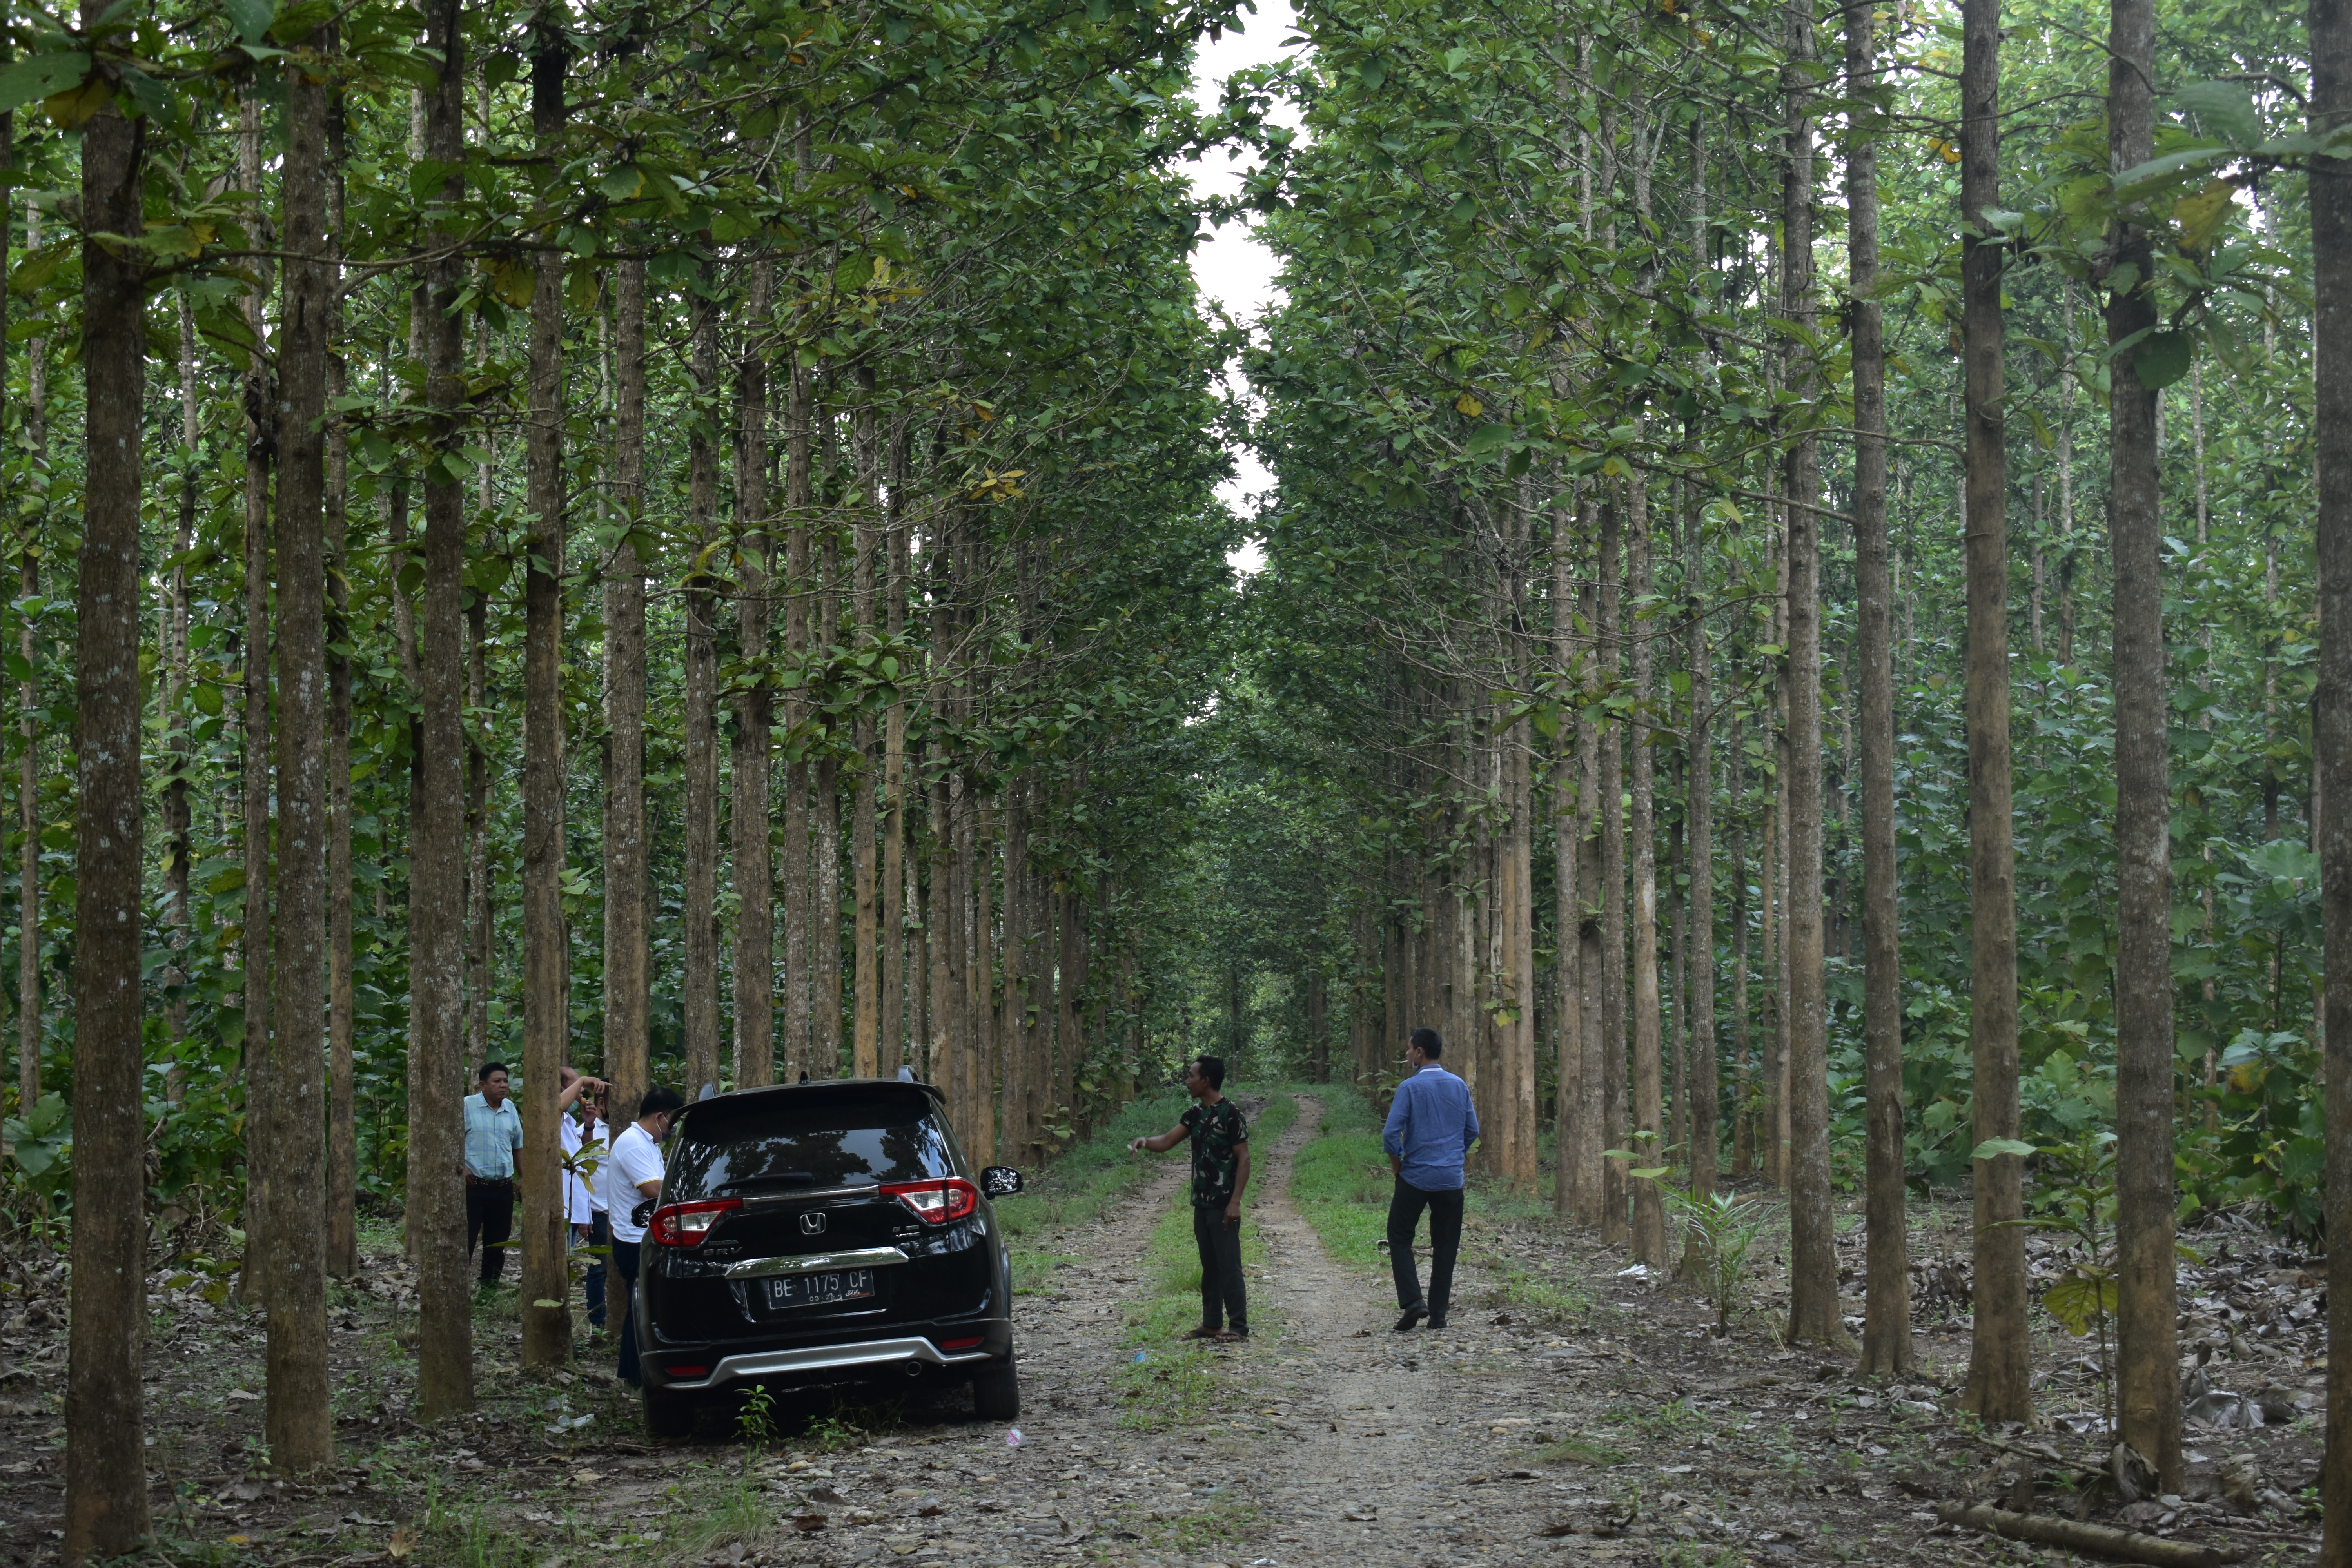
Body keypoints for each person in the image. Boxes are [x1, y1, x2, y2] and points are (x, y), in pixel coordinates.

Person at [1129, 1056, 1251, 1341]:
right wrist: (1145, 1142)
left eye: (1192, 1076)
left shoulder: (1230, 1113)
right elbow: (1168, 1140)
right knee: (1210, 1264)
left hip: (1223, 1203)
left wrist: (1235, 1201)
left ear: (1206, 1080)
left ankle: (1239, 1326)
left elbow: (1244, 1158)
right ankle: (1212, 1323)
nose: (1188, 1081)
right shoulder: (1195, 1114)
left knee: (1229, 1264)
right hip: (1202, 1203)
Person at [1383, 1027, 1479, 1331]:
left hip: (1415, 1177)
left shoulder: (1409, 1088)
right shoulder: (1459, 1085)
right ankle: (1438, 1315)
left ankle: (1413, 1302)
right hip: (1451, 1180)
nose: (1408, 1055)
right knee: (1446, 1245)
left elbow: (1390, 1135)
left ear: (1420, 1053)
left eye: (1410, 1050)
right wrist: (1454, 1154)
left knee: (1399, 1237)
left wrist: (1398, 1165)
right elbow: (1472, 1130)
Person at [603, 1084, 685, 1386]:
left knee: (642, 1309)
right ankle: (635, 1379)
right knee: (640, 1311)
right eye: (672, 1122)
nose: (672, 1129)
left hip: (644, 1237)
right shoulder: (634, 1145)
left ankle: (633, 1376)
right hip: (634, 1241)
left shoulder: (646, 1143)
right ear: (660, 1117)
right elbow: (653, 1190)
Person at [557, 1066, 610, 1334]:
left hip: (579, 1211)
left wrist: (588, 1124)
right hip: (564, 1209)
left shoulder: (568, 1123)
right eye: (575, 1087)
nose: (581, 1092)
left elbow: (581, 1165)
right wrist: (583, 1081)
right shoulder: (553, 1116)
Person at [463, 1062, 525, 1288]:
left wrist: (523, 1177)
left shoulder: (510, 1109)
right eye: (497, 1082)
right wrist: (462, 1167)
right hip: (474, 1187)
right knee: (466, 1240)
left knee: (497, 1243)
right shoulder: (467, 1106)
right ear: (482, 1085)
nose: (503, 1086)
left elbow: (518, 1145)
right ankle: (459, 1289)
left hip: (503, 1189)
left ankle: (489, 1289)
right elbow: (451, 1141)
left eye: (506, 1081)